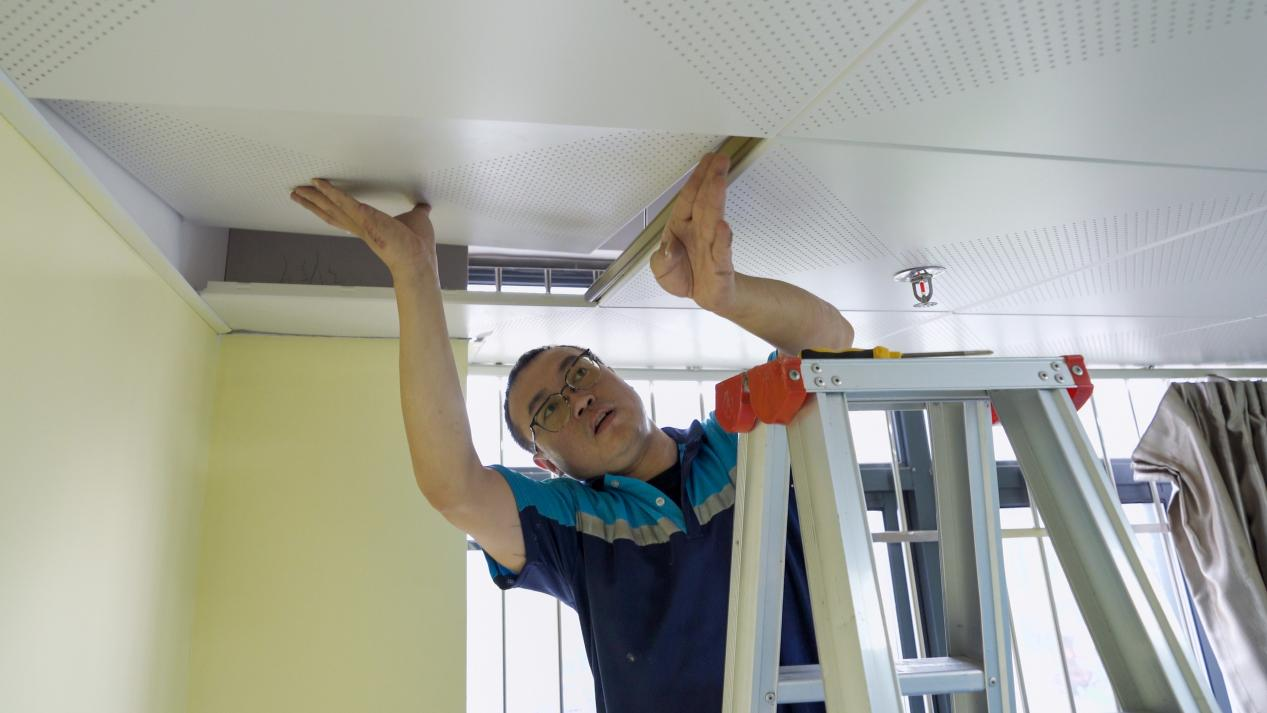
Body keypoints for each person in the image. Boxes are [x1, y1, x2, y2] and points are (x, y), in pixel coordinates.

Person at [290, 152, 854, 713]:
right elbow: (452, 487)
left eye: (580, 373)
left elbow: (831, 342)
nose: (579, 398)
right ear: (547, 464)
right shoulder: (575, 528)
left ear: (612, 372)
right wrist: (415, 271)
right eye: (551, 409)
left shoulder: (739, 443)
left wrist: (725, 294)